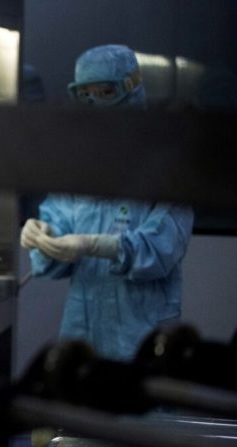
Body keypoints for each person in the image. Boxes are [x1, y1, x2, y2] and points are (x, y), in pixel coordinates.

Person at [20, 44, 195, 362]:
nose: (95, 103)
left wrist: (95, 244)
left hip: (143, 336)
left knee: (142, 404)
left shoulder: (166, 164)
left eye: (105, 92)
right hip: (82, 335)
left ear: (131, 88)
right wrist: (43, 234)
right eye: (86, 94)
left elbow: (163, 246)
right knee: (77, 404)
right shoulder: (81, 163)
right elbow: (60, 220)